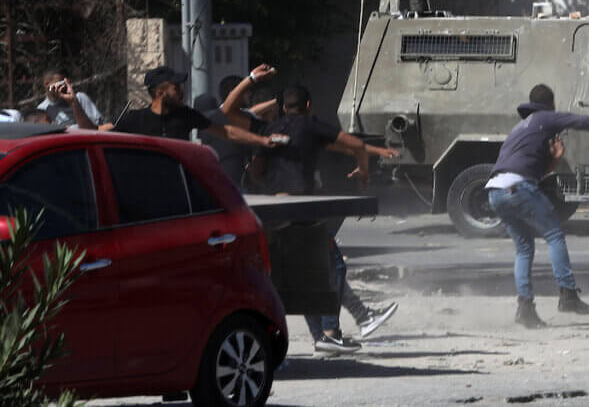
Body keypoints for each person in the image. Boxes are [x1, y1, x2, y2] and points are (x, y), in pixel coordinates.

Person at [242, 82, 400, 356]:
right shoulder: (310, 125)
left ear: (282, 107)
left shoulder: (270, 129)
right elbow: (356, 145)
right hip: (301, 208)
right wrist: (364, 173)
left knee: (301, 275)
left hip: (274, 208)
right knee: (334, 268)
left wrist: (270, 183)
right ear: (308, 106)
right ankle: (329, 330)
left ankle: (323, 338)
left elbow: (256, 170)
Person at [486, 83, 589, 328]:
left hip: (496, 190)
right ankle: (568, 295)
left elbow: (531, 172)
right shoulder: (547, 118)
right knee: (554, 234)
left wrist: (555, 160)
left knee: (524, 248)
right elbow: (583, 121)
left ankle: (525, 309)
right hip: (517, 187)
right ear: (551, 104)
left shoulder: (520, 127)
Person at [85, 66, 277, 150]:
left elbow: (225, 131)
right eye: (175, 87)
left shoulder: (186, 115)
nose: (181, 91)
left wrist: (262, 140)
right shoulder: (135, 119)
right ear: (160, 93)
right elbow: (104, 136)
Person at [37, 66, 106, 128]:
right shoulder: (42, 110)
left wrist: (74, 102)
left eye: (65, 83)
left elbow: (99, 129)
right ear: (47, 84)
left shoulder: (79, 98)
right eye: (60, 84)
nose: (64, 87)